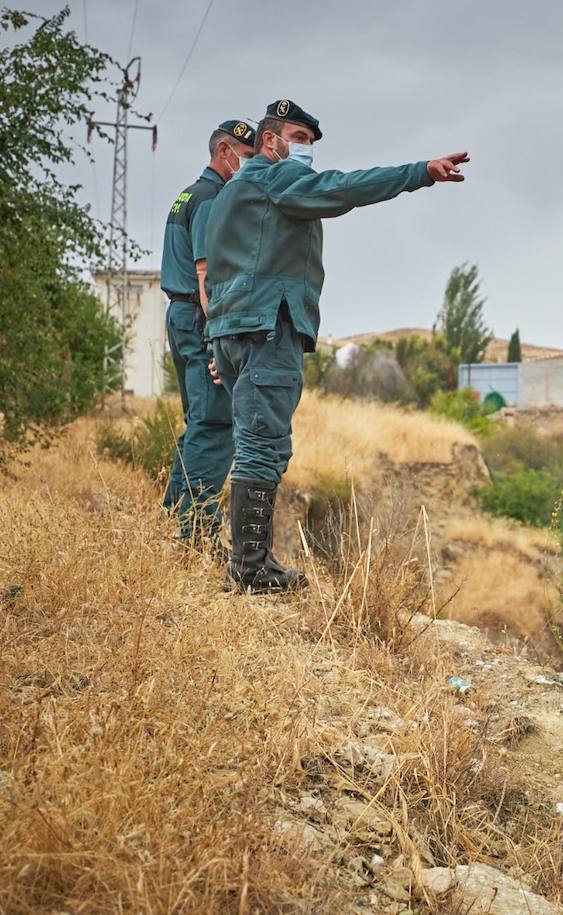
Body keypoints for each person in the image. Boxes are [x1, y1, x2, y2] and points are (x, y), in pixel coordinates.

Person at [203, 99, 468, 593]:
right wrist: (420, 173)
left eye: (310, 143)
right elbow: (341, 188)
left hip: (234, 330)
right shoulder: (274, 180)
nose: (306, 151)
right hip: (269, 326)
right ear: (269, 141)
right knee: (264, 445)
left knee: (255, 441)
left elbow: (215, 274)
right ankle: (251, 569)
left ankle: (252, 562)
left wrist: (215, 341)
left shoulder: (229, 194)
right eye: (299, 139)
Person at [158, 119, 256, 550]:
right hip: (199, 319)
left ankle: (174, 520)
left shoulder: (187, 196)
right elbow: (206, 273)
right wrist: (220, 339)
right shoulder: (213, 199)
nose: (248, 166)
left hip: (180, 316)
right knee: (216, 424)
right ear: (224, 151)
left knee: (199, 424)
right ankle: (195, 532)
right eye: (246, 157)